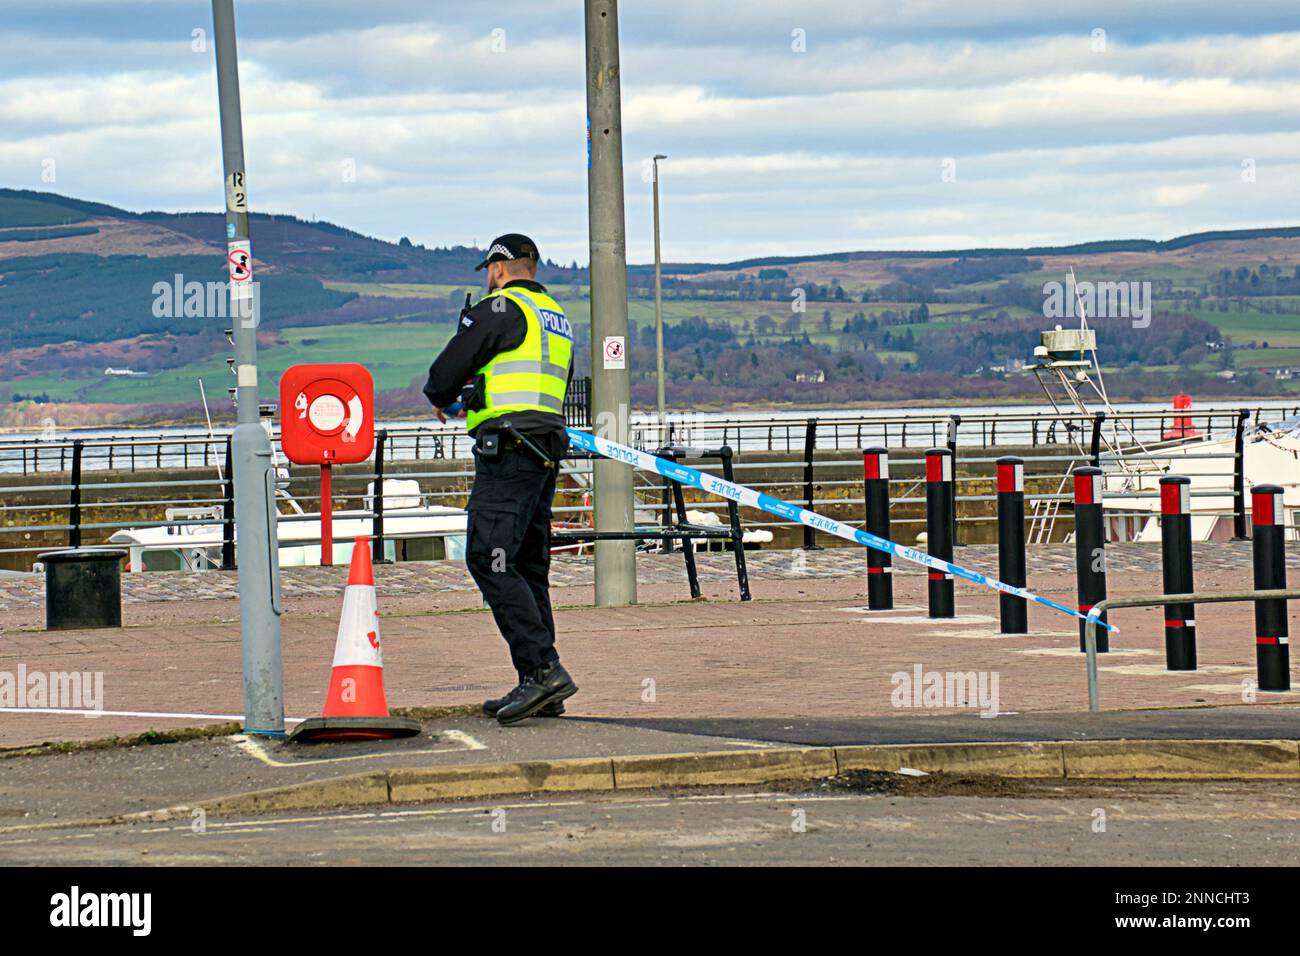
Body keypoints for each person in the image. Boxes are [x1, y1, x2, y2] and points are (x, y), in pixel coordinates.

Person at [423, 233, 578, 725]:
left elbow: (448, 369)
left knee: (487, 558)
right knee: (528, 566)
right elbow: (523, 383)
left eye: (490, 268)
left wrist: (442, 394)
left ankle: (542, 671)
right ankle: (541, 687)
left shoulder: (499, 308)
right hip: (545, 447)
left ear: (499, 266)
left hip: (508, 449)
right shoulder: (555, 317)